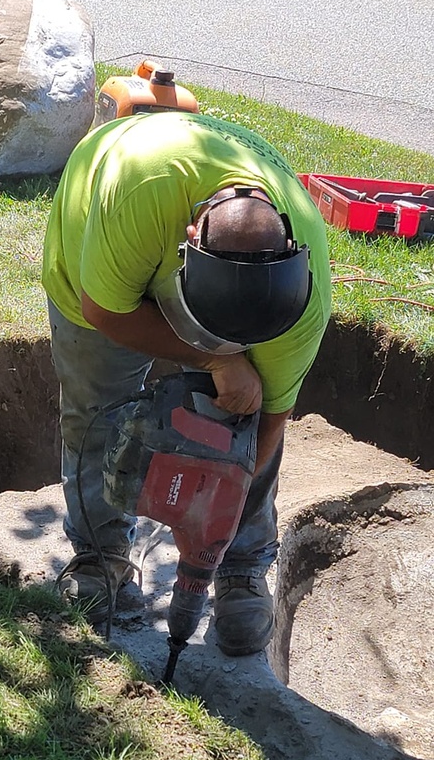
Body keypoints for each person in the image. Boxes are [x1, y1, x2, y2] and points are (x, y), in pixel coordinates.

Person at [41, 110, 331, 656]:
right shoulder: (137, 195)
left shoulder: (301, 308)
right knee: (95, 408)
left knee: (241, 418)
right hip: (105, 258)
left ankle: (241, 569)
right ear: (190, 241)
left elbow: (265, 428)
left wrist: (211, 528)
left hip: (201, 269)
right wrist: (218, 360)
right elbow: (106, 314)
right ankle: (100, 556)